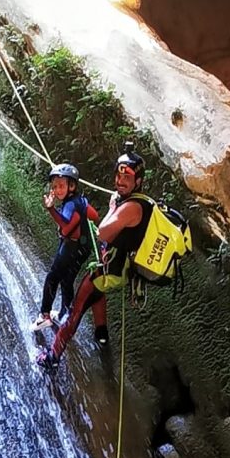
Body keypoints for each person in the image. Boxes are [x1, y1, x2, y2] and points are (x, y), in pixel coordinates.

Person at [37, 144, 153, 367]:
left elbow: (103, 232)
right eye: (118, 176)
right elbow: (93, 216)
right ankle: (102, 334)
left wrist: (112, 208)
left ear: (137, 181)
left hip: (109, 269)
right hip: (118, 268)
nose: (119, 181)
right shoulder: (142, 202)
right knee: (97, 296)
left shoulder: (130, 207)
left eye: (126, 177)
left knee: (77, 310)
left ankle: (52, 357)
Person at [30, 163, 100, 332]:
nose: (58, 190)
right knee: (66, 280)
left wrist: (51, 209)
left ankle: (44, 316)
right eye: (55, 186)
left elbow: (66, 228)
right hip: (83, 249)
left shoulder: (70, 205)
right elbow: (94, 215)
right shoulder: (79, 200)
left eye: (61, 186)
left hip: (71, 248)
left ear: (72, 186)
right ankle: (65, 315)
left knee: (52, 278)